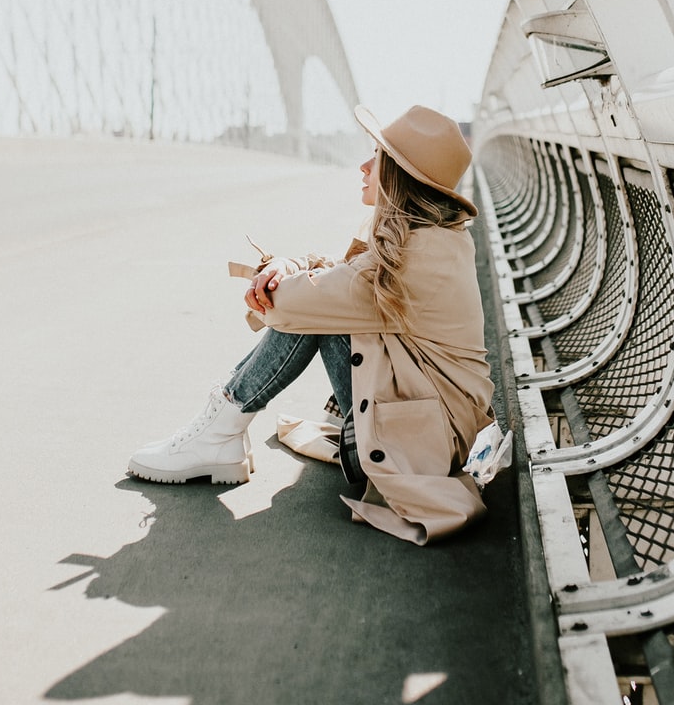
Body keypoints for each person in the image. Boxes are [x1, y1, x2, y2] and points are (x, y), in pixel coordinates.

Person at [127, 104, 495, 545]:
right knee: (319, 306)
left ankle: (219, 431)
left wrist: (276, 280)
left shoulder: (411, 261)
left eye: (375, 156)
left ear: (400, 176)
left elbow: (300, 302)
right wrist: (287, 264)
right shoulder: (433, 240)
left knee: (310, 314)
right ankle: (220, 432)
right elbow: (339, 274)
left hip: (410, 454)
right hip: (429, 436)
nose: (362, 165)